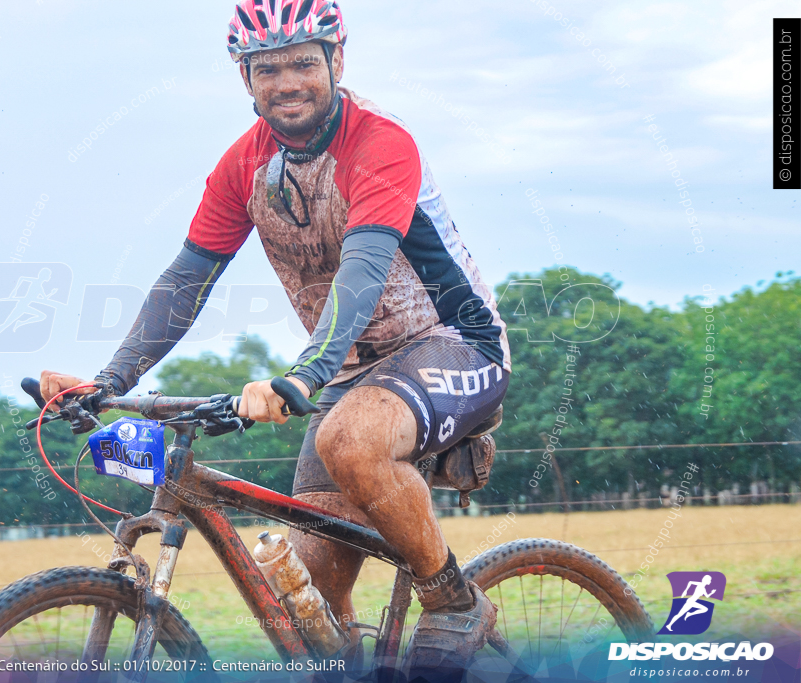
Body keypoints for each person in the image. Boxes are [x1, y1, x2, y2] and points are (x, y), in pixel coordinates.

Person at [41, 0, 511, 671]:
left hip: (452, 343)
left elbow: (364, 273)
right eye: (269, 69)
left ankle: (453, 598)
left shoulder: (381, 143)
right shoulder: (243, 166)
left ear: (336, 62)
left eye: (302, 62)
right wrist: (111, 380)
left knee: (347, 438)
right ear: (245, 79)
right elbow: (186, 281)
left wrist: (301, 377)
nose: (287, 81)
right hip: (349, 372)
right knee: (307, 601)